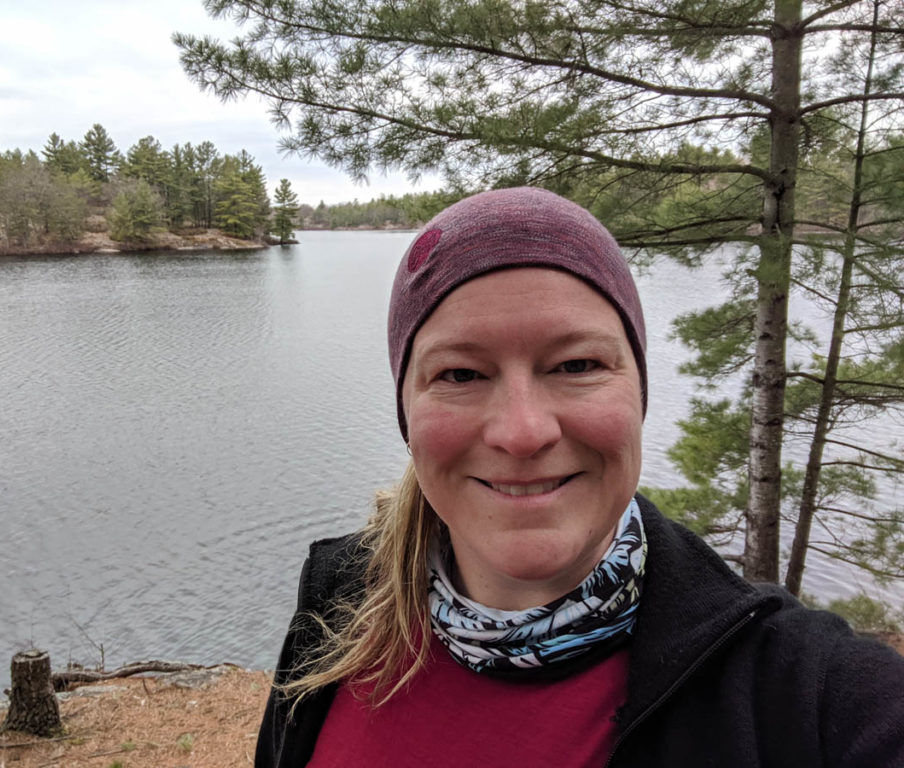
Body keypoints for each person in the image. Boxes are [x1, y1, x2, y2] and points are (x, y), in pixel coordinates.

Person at [255, 187, 904, 768]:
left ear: (638, 391)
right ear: (407, 413)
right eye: (460, 374)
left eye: (576, 365)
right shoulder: (339, 603)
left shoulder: (803, 696)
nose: (522, 432)